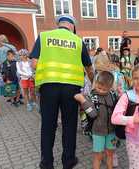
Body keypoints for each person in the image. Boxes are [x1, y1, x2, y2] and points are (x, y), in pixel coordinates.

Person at [30, 14, 94, 169]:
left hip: (48, 87)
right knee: (69, 125)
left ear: (59, 24)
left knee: (48, 125)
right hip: (71, 89)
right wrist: (93, 84)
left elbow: (34, 63)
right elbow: (89, 67)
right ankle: (68, 160)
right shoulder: (78, 41)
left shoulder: (44, 36)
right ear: (72, 26)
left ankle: (47, 163)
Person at [74, 71, 117, 169]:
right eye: (99, 87)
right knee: (98, 156)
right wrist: (83, 100)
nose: (100, 90)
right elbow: (92, 114)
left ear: (110, 87)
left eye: (104, 89)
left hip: (112, 132)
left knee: (110, 154)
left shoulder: (113, 95)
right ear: (96, 82)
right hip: (98, 133)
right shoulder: (92, 97)